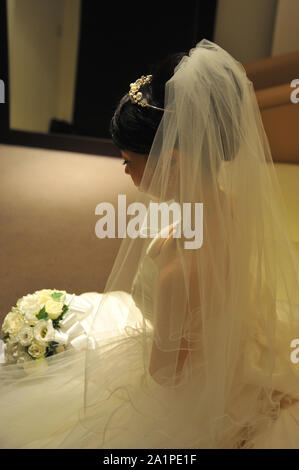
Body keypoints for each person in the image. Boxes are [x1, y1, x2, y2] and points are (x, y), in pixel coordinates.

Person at [1, 38, 299, 449]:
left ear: (172, 161)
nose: (125, 172)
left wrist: (124, 350)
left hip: (189, 388)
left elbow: (164, 375)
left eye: (129, 161)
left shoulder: (178, 268)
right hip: (231, 347)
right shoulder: (229, 207)